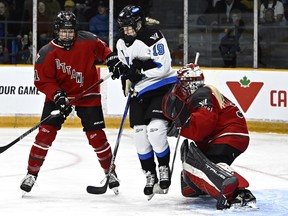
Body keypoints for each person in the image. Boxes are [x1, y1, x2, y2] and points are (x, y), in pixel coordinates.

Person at [20, 11, 127, 195]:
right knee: (45, 134)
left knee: (97, 137)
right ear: (57, 31)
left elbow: (104, 51)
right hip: (59, 96)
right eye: (63, 31)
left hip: (87, 93)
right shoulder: (46, 52)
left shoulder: (87, 39)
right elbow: (42, 81)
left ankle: (111, 174)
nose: (67, 35)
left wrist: (112, 60)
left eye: (70, 31)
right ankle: (31, 174)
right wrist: (58, 96)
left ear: (75, 31)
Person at [162, 63, 256, 209]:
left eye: (183, 83)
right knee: (197, 159)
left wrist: (181, 127)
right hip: (229, 135)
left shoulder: (201, 95)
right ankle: (197, 185)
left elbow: (202, 128)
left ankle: (239, 192)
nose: (180, 87)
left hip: (228, 135)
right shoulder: (203, 93)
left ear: (191, 83)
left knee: (207, 165)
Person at [115, 5, 177, 199]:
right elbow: (127, 66)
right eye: (124, 28)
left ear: (140, 23)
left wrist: (140, 71)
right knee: (140, 137)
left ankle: (163, 168)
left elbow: (164, 67)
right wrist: (125, 74)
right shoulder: (121, 43)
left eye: (131, 27)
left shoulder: (153, 36)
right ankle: (149, 174)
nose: (127, 31)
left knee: (156, 131)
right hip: (139, 92)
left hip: (161, 87)